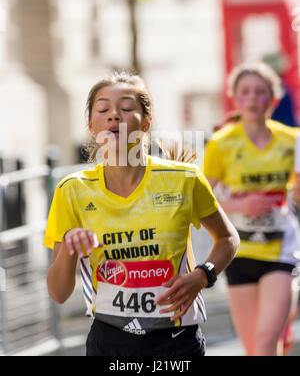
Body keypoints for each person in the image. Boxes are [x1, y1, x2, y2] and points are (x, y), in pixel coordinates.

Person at [44, 71, 239, 357]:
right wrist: (71, 248)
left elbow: (227, 238)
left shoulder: (184, 179)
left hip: (176, 340)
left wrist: (202, 276)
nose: (113, 116)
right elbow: (58, 293)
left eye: (125, 108)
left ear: (146, 123)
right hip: (109, 342)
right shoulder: (72, 190)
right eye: (103, 109)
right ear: (91, 125)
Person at [203, 62, 300, 356]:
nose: (253, 98)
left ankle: (284, 318)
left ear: (272, 98)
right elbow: (201, 200)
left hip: (280, 250)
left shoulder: (292, 140)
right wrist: (239, 204)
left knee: (264, 342)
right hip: (239, 253)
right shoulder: (221, 144)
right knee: (254, 350)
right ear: (235, 97)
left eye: (260, 92)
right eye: (245, 92)